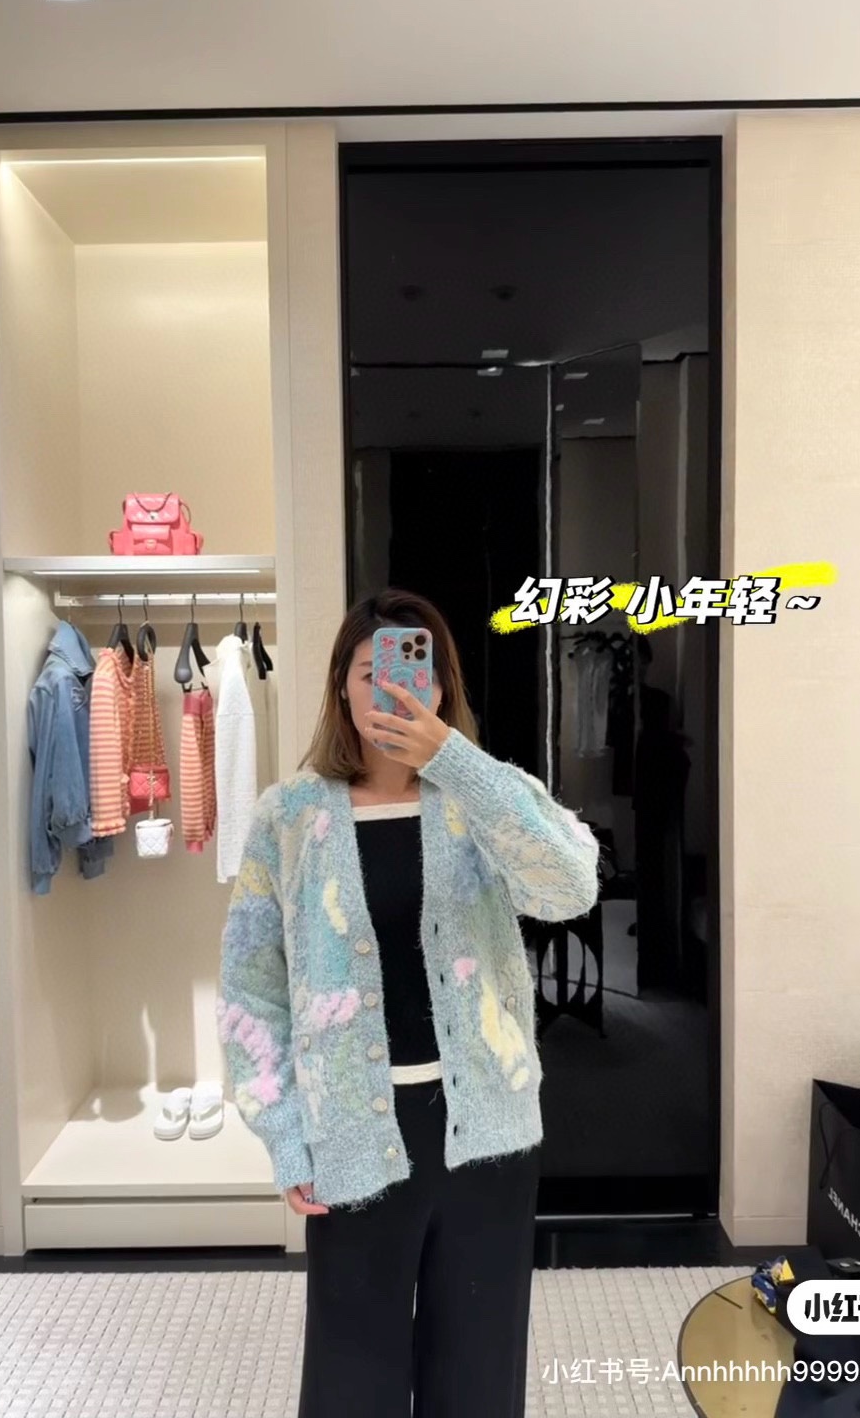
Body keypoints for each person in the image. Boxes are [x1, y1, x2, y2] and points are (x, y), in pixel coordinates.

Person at [218, 588, 602, 1418]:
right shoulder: (288, 818)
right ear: (341, 687)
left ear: (439, 684)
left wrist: (453, 760)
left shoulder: (486, 797)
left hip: (486, 1133)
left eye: (412, 670)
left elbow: (569, 887)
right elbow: (250, 987)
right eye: (371, 671)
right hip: (350, 1131)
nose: (392, 688)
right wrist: (282, 1132)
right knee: (350, 1380)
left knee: (478, 1375)